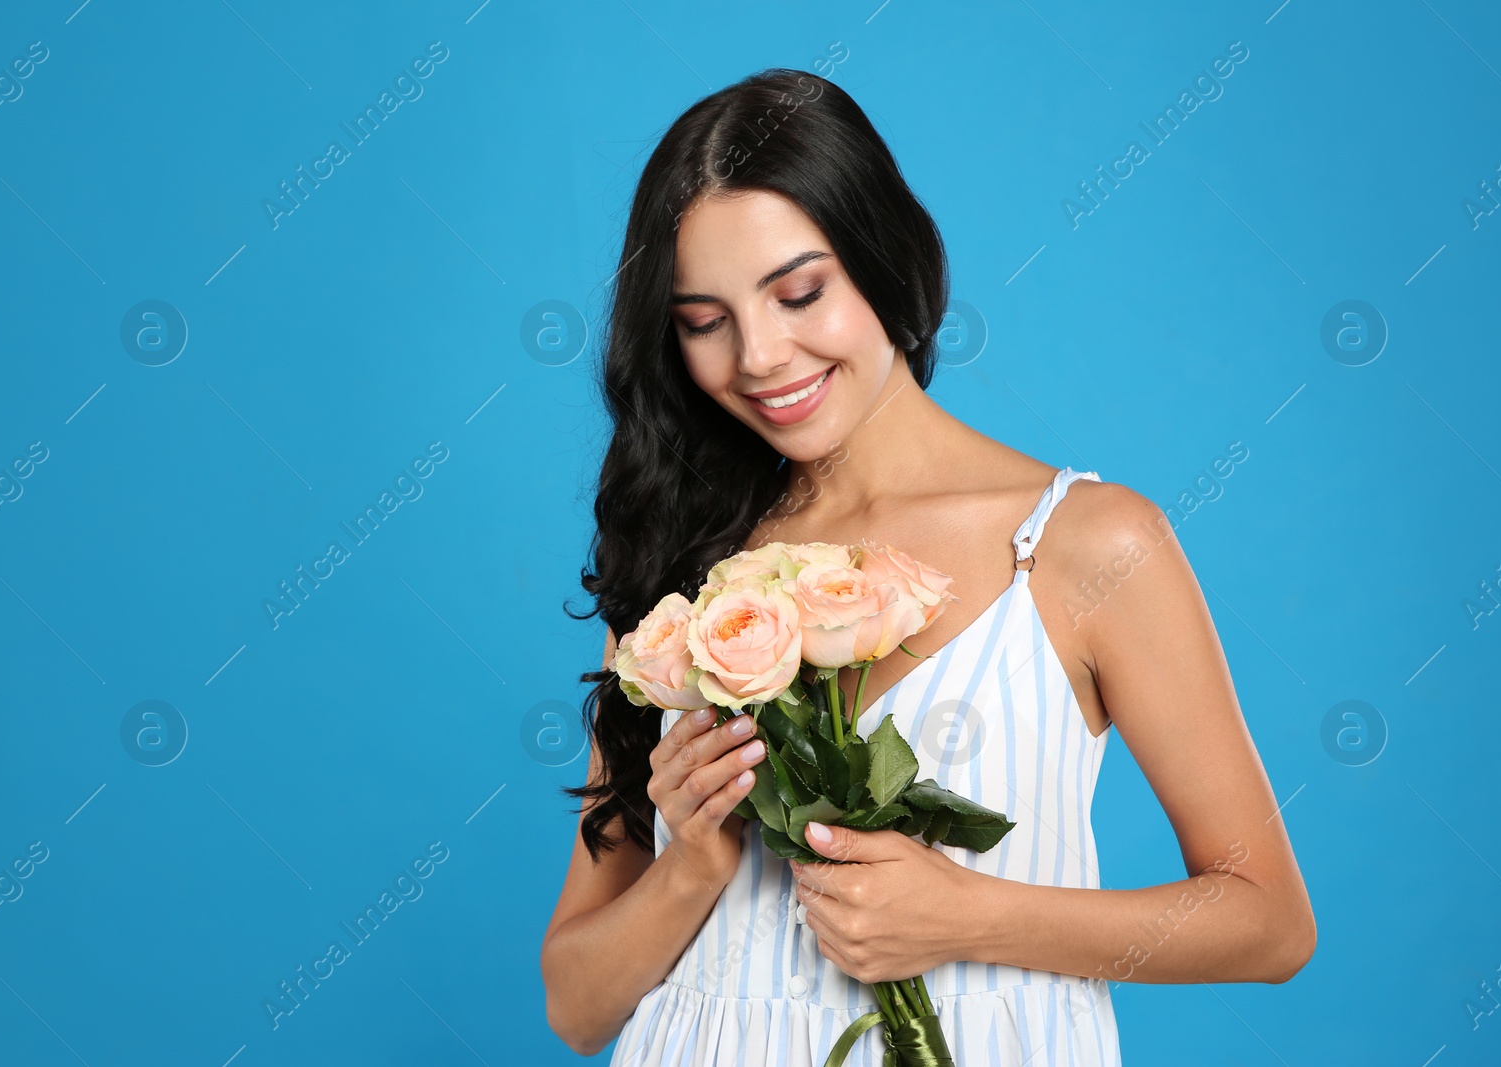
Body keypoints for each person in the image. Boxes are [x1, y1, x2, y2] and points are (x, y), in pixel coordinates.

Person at [541, 67, 1314, 1065]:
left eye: (798, 292)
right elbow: (576, 1008)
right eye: (703, 319)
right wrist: (691, 863)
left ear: (882, 256)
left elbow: (1268, 922)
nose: (761, 354)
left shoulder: (1087, 543)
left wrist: (971, 914)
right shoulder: (683, 568)